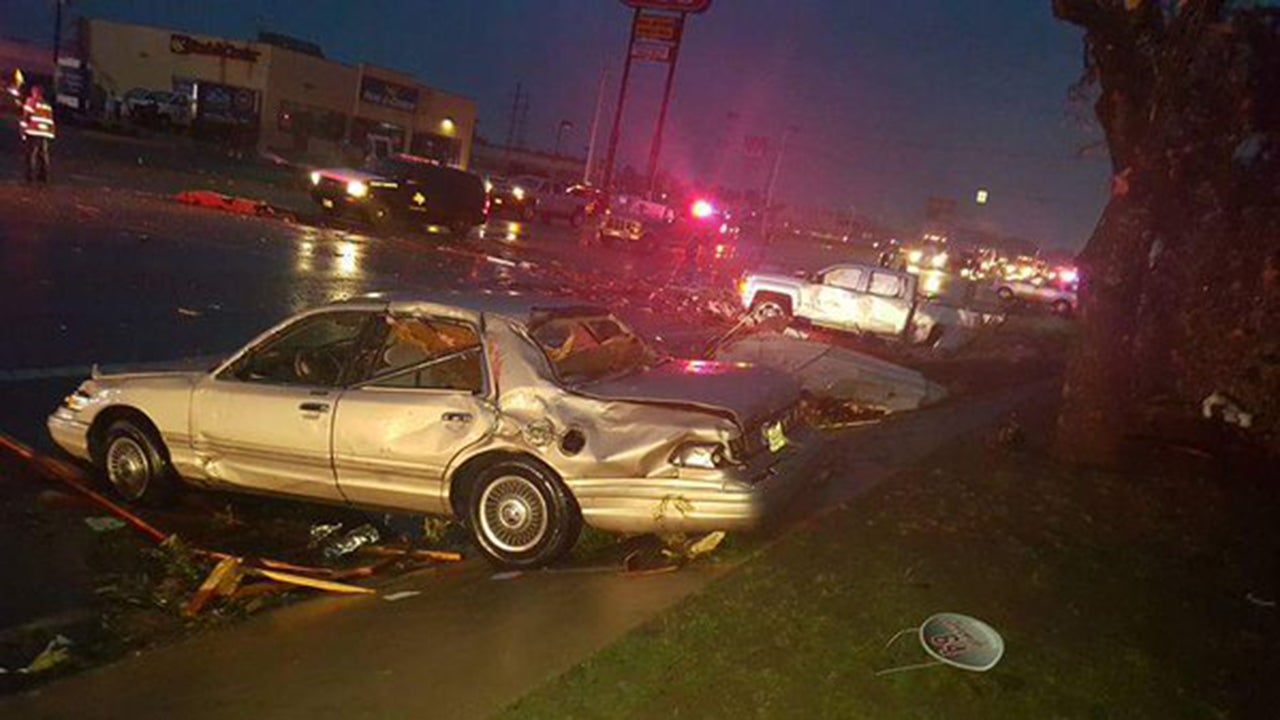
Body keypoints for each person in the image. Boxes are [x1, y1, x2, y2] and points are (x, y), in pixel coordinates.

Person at [19, 85, 55, 183]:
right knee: (43, 156)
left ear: (34, 92)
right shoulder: (46, 105)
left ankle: (29, 177)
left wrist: (23, 130)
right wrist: (51, 133)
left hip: (33, 132)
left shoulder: (31, 102)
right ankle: (44, 177)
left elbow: (26, 117)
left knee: (31, 155)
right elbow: (50, 120)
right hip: (45, 134)